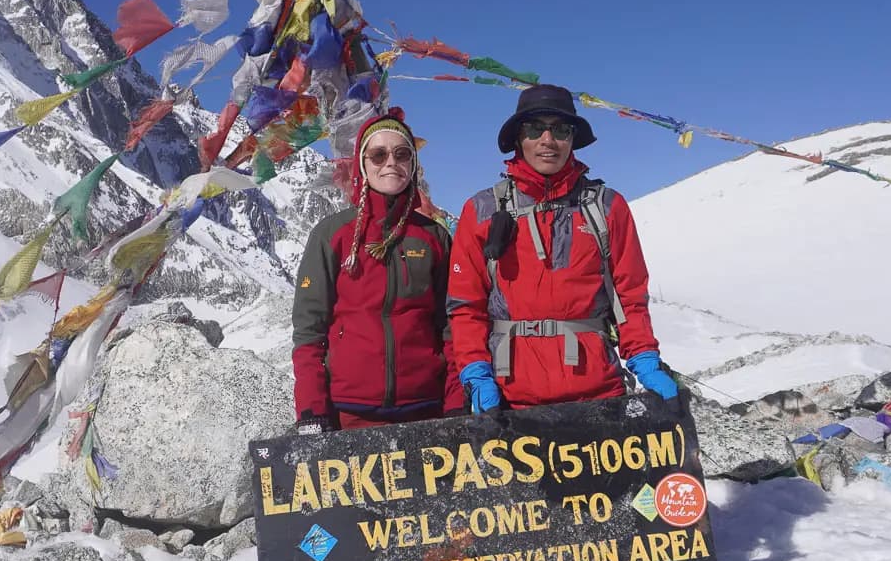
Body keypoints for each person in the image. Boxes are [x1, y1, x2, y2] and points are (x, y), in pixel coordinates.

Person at [447, 84, 680, 413]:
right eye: (534, 129)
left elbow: (630, 294)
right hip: (512, 401)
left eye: (560, 129)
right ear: (518, 138)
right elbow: (465, 306)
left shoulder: (607, 206)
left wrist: (644, 359)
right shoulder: (482, 210)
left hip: (600, 396)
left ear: (572, 139)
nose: (548, 140)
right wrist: (475, 372)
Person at [291, 108, 461, 433]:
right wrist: (312, 408)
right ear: (362, 165)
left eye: (401, 154)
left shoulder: (433, 235)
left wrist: (455, 400)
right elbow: (309, 330)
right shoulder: (332, 235)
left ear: (413, 163)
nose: (391, 163)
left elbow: (450, 325)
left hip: (426, 408)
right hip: (349, 413)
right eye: (378, 155)